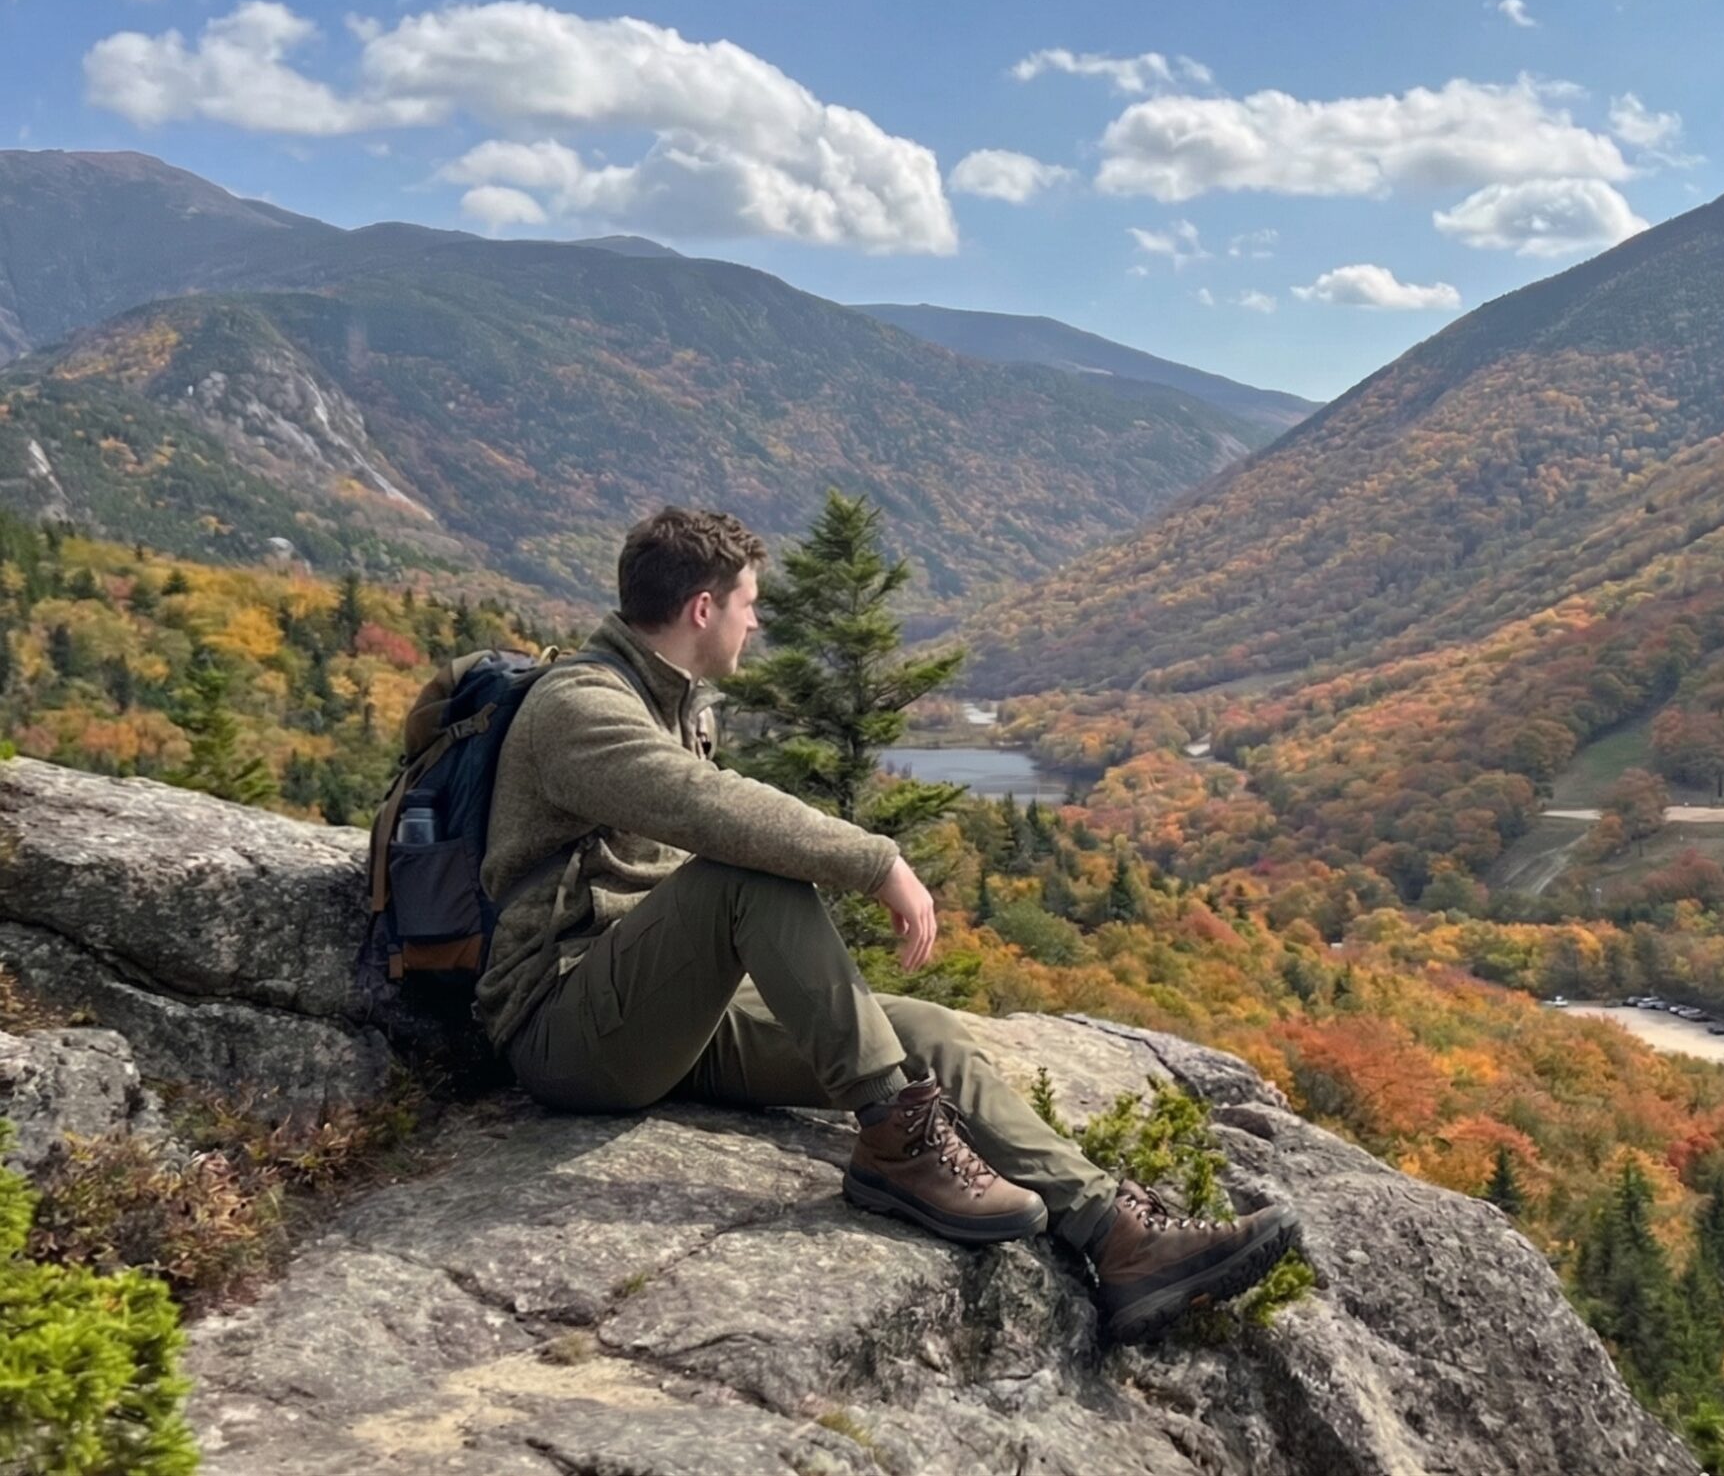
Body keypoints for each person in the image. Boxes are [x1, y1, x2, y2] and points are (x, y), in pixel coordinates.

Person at [478, 506, 1299, 1341]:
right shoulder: (579, 707)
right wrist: (878, 862)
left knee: (921, 1032)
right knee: (742, 870)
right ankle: (897, 1151)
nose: (755, 622)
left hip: (661, 1013)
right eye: (748, 604)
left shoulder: (675, 705)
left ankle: (1117, 1238)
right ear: (702, 607)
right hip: (566, 1026)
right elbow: (709, 808)